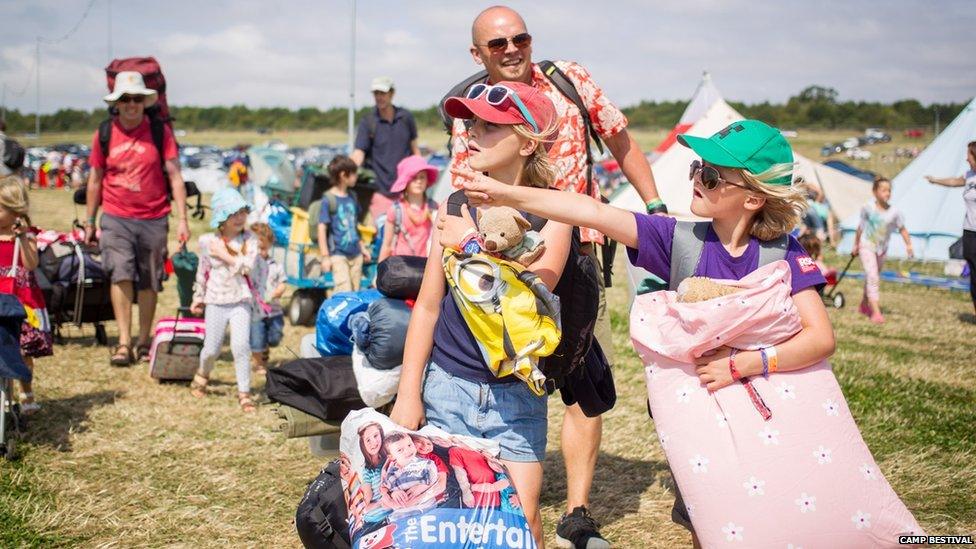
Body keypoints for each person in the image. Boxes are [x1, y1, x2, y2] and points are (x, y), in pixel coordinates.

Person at [456, 119, 835, 549]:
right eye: (697, 168)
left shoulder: (783, 253)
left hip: (767, 422)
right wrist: (506, 194)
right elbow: (591, 211)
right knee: (709, 522)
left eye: (711, 176)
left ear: (752, 197)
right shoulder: (677, 239)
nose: (696, 180)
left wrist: (745, 364)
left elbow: (820, 337)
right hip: (704, 426)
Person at [445, 9, 667, 546]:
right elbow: (464, 180)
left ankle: (577, 509)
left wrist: (655, 207)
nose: (512, 48)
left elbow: (620, 141)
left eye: (519, 37)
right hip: (510, 263)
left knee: (579, 376)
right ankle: (505, 486)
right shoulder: (470, 108)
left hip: (584, 249)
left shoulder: (570, 78)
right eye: (497, 43)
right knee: (508, 367)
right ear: (479, 54)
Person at [390, 80, 569, 546]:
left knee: (521, 523)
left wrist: (470, 246)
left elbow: (527, 305)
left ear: (528, 142)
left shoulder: (556, 215)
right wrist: (409, 393)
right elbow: (428, 306)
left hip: (516, 398)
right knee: (450, 520)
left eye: (489, 126)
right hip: (447, 387)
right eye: (469, 123)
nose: (471, 132)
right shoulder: (453, 204)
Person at [84, 71, 191, 366]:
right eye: (126, 99)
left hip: (154, 217)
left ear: (145, 102)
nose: (132, 104)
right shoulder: (104, 133)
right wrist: (89, 221)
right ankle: (123, 342)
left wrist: (183, 219)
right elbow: (95, 180)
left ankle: (144, 342)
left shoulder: (160, 132)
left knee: (149, 279)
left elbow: (176, 177)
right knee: (119, 274)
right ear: (116, 103)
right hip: (116, 216)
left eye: (137, 99)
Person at [189, 188, 259, 413]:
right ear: (222, 218)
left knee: (241, 346)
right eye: (234, 213)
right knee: (211, 348)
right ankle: (202, 374)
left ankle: (244, 392)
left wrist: (225, 255)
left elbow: (248, 267)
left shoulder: (250, 240)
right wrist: (198, 297)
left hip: (240, 301)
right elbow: (203, 271)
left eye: (243, 212)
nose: (240, 218)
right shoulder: (209, 242)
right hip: (216, 301)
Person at [0, 175, 52, 414]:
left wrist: (21, 236)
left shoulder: (26, 236)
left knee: (23, 351)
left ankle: (26, 391)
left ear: (14, 210)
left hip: (22, 302)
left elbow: (31, 265)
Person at [350, 77, 421, 221]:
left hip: (405, 191)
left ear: (392, 94)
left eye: (382, 93)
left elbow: (415, 150)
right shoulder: (368, 122)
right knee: (383, 235)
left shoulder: (406, 118)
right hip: (380, 191)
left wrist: (421, 174)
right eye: (376, 93)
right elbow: (359, 153)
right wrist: (345, 169)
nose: (379, 97)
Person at [926, 140, 976, 318]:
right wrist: (935, 180)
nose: (966, 158)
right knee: (973, 273)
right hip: (970, 232)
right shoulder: (969, 175)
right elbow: (955, 181)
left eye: (969, 155)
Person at [853, 177, 913, 324]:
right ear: (875, 192)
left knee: (871, 276)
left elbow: (902, 229)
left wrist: (909, 245)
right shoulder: (867, 208)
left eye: (889, 190)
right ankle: (876, 312)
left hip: (881, 249)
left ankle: (863, 304)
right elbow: (860, 227)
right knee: (873, 276)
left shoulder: (895, 212)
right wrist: (855, 245)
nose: (887, 193)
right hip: (866, 246)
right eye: (883, 190)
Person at [318, 155, 371, 293]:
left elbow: (354, 226)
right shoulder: (328, 199)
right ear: (343, 175)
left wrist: (362, 248)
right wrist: (325, 257)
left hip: (356, 254)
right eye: (353, 174)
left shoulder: (353, 196)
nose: (356, 177)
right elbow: (322, 229)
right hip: (338, 255)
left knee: (355, 292)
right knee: (344, 292)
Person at [377, 155, 438, 262]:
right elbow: (387, 246)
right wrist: (379, 274)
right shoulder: (396, 210)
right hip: (401, 269)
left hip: (425, 267)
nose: (419, 181)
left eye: (422, 177)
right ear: (406, 182)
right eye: (414, 177)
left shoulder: (434, 207)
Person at [247, 222, 286, 375]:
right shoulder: (249, 265)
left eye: (263, 248)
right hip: (255, 310)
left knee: (275, 337)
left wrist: (278, 291)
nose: (260, 252)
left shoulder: (275, 265)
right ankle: (258, 364)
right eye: (257, 248)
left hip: (274, 310)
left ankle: (265, 349)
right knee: (257, 338)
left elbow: (283, 283)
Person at [379, 431, 442, 519]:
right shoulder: (391, 472)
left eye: (409, 445)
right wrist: (394, 493)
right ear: (391, 457)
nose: (408, 451)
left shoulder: (426, 464)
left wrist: (423, 487)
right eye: (400, 450)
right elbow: (386, 490)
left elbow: (435, 480)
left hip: (426, 509)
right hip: (402, 514)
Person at [357, 421, 393, 526]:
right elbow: (365, 505)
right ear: (363, 445)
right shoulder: (367, 471)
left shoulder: (390, 457)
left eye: (376, 436)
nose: (374, 442)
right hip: (377, 518)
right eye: (368, 440)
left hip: (396, 510)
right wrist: (382, 503)